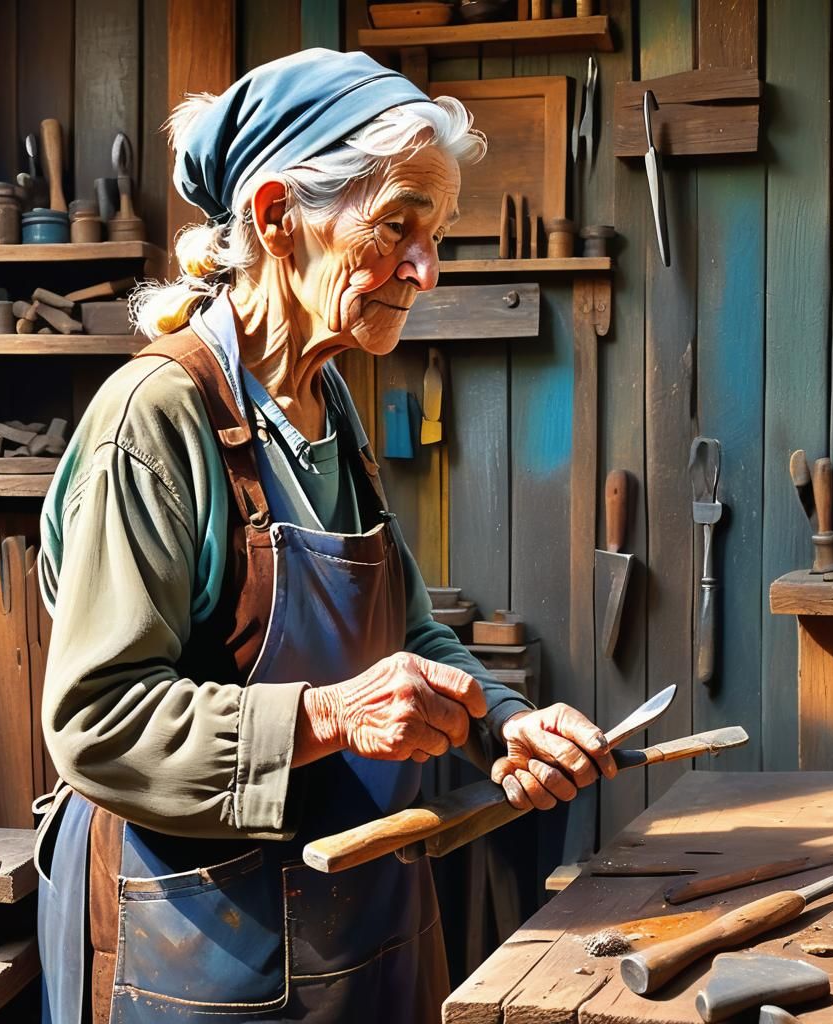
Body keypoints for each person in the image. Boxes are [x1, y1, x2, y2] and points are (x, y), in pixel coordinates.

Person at [35, 48, 617, 1024]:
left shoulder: (322, 400)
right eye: (396, 226)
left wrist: (501, 720)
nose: (426, 270)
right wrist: (331, 718)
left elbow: (404, 638)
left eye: (434, 234)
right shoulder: (155, 418)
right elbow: (97, 723)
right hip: (201, 953)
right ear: (275, 219)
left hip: (360, 934)